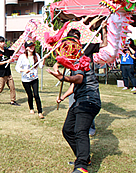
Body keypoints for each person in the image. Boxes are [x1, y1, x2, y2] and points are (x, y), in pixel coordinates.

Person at [47, 29, 101, 173]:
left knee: (80, 130)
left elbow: (79, 79)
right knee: (67, 130)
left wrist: (62, 77)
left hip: (89, 100)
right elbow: (74, 84)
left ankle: (81, 166)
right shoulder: (72, 62)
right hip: (79, 101)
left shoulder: (81, 59)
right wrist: (63, 97)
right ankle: (84, 156)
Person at [15, 40, 45, 118]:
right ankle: (31, 108)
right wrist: (24, 70)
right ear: (26, 48)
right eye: (30, 46)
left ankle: (40, 112)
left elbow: (41, 66)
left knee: (36, 95)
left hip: (34, 78)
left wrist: (44, 59)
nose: (32, 47)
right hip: (25, 79)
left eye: (33, 46)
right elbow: (17, 68)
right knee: (30, 95)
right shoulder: (22, 57)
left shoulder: (37, 56)